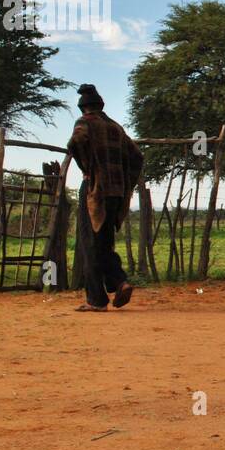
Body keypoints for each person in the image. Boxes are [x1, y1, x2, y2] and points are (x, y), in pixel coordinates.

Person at [66, 84, 144, 311]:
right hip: (116, 194)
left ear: (84, 108)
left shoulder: (85, 122)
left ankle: (97, 300)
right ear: (101, 105)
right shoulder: (116, 128)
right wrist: (125, 181)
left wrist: (87, 168)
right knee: (103, 242)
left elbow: (76, 142)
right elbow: (137, 156)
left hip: (95, 190)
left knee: (90, 244)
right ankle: (120, 282)